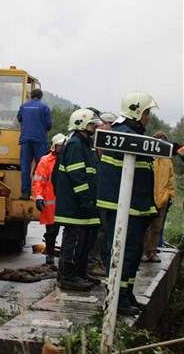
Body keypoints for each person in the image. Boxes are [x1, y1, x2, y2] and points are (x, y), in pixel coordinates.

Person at [98, 91, 158, 316]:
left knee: (132, 254)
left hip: (136, 207)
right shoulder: (125, 136)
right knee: (123, 252)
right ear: (137, 111)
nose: (148, 118)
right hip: (124, 208)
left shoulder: (131, 135)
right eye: (147, 113)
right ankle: (118, 298)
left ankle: (126, 294)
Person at [55, 109, 102, 291]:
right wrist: (86, 201)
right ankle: (68, 276)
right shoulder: (75, 144)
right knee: (73, 241)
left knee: (84, 241)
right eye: (92, 124)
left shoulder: (84, 143)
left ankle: (80, 273)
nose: (94, 127)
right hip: (75, 206)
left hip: (82, 204)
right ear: (81, 123)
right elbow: (78, 177)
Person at [87, 111, 117, 277]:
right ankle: (92, 263)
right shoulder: (90, 147)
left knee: (103, 231)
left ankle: (98, 261)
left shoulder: (103, 146)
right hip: (96, 196)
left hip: (103, 195)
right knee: (98, 231)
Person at [33, 132, 66, 266]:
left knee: (69, 231)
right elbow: (38, 181)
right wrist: (39, 198)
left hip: (65, 202)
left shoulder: (68, 159)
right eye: (60, 146)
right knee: (51, 232)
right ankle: (50, 254)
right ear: (54, 146)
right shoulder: (45, 161)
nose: (62, 148)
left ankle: (65, 256)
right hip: (51, 203)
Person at [142, 131, 175, 262]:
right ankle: (144, 252)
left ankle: (153, 252)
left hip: (163, 199)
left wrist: (170, 195)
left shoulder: (167, 161)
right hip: (149, 197)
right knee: (146, 228)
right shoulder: (149, 158)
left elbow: (171, 180)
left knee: (157, 228)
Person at [17, 89, 52, 199]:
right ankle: (39, 193)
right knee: (41, 167)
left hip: (26, 140)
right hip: (40, 140)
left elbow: (19, 118)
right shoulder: (44, 107)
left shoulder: (23, 106)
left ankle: (25, 193)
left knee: (25, 167)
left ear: (31, 96)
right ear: (40, 97)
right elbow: (49, 125)